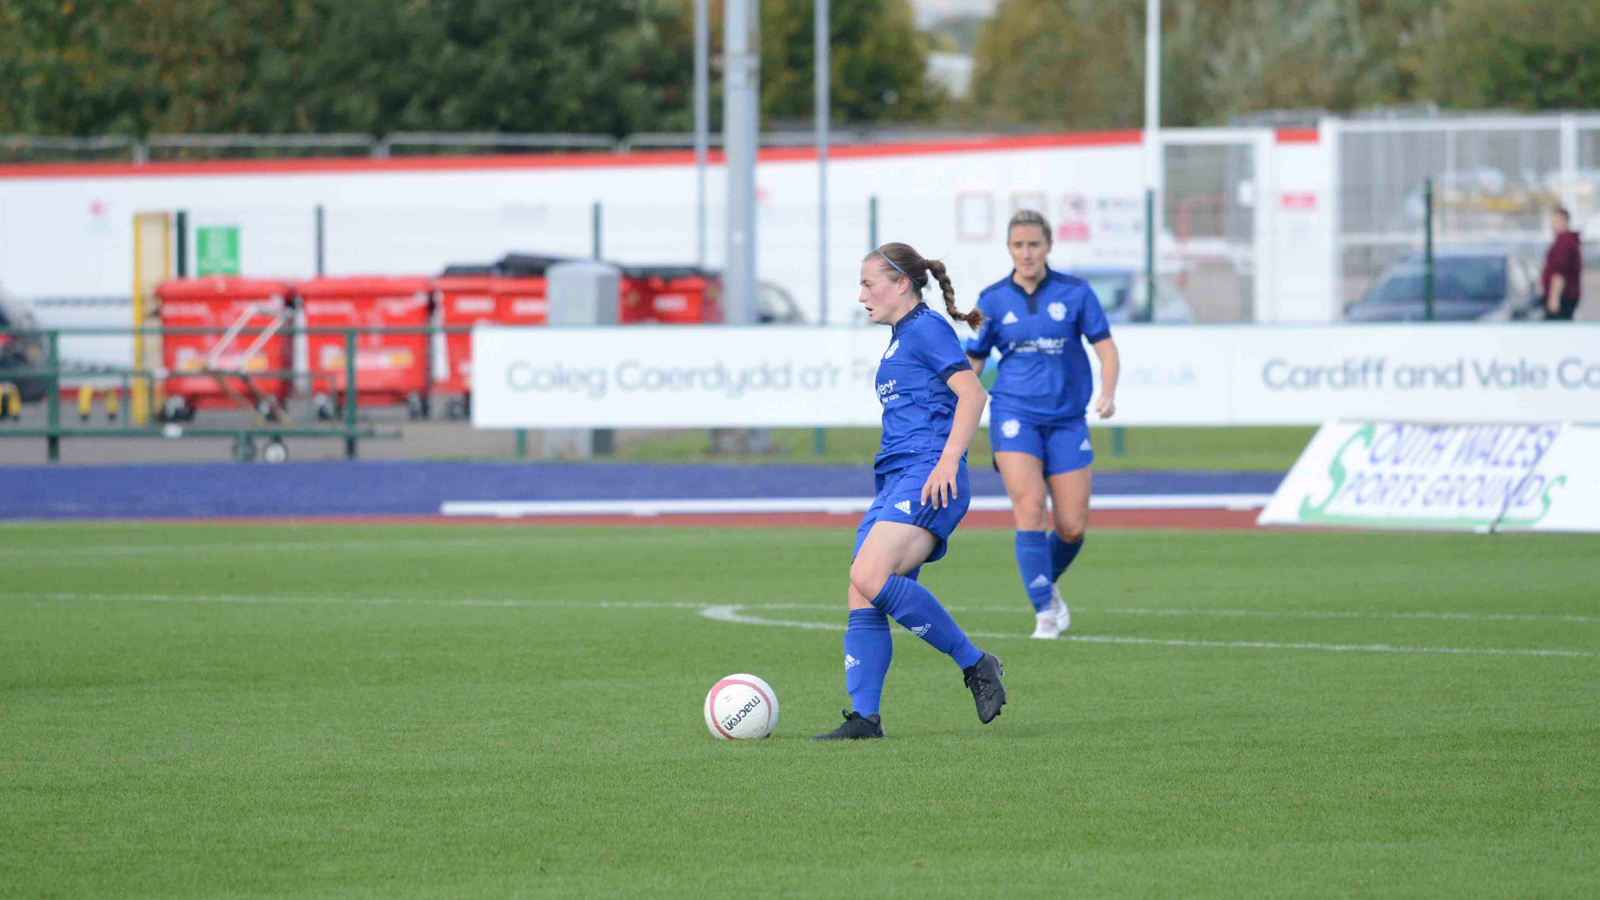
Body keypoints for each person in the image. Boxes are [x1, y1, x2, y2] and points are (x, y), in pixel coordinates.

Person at [813, 242, 1007, 740]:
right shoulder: (902, 336)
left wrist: (946, 462)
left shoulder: (926, 328)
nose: (861, 296)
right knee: (862, 592)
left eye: (867, 283)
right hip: (897, 478)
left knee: (868, 573)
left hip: (928, 476)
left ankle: (975, 662)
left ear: (901, 283)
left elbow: (973, 393)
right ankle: (864, 719)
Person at [965, 210, 1121, 640]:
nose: (1026, 253)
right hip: (1014, 416)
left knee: (1072, 526)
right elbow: (972, 364)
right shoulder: (992, 299)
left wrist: (1107, 392)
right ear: (1009, 249)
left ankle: (1043, 582)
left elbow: (1106, 349)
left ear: (1048, 246)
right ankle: (1044, 613)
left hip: (1068, 419)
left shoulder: (1076, 292)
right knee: (1031, 507)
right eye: (1018, 245)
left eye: (1034, 244)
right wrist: (950, 410)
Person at [1541, 207, 1582, 320]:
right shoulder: (1570, 241)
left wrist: (1554, 299)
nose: (1552, 225)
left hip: (1562, 298)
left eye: (1554, 221)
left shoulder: (1564, 243)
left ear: (1563, 221)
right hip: (1567, 297)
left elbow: (1559, 273)